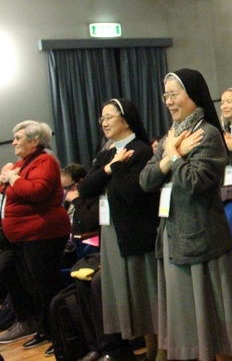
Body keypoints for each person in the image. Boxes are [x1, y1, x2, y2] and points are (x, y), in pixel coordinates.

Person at [140, 69, 232, 361]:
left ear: (193, 95)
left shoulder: (208, 134)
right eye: (166, 95)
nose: (168, 101)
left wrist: (173, 157)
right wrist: (169, 155)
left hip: (201, 241)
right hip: (173, 237)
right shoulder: (173, 134)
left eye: (174, 94)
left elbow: (194, 183)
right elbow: (146, 180)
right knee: (186, 326)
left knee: (212, 327)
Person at [77, 99, 162, 360]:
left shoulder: (140, 150)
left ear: (125, 119)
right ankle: (146, 352)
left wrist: (115, 168)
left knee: (148, 302)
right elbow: (85, 189)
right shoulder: (107, 153)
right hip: (113, 235)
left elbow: (131, 193)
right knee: (133, 305)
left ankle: (158, 354)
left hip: (136, 235)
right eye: (101, 118)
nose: (103, 122)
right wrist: (109, 167)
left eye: (109, 117)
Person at [0, 121, 70, 351]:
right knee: (34, 289)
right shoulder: (24, 162)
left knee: (47, 287)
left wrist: (12, 179)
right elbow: (6, 189)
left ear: (34, 141)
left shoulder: (45, 161)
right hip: (24, 238)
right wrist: (11, 181)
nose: (14, 142)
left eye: (19, 137)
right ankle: (46, 330)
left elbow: (35, 192)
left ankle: (61, 336)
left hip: (43, 234)